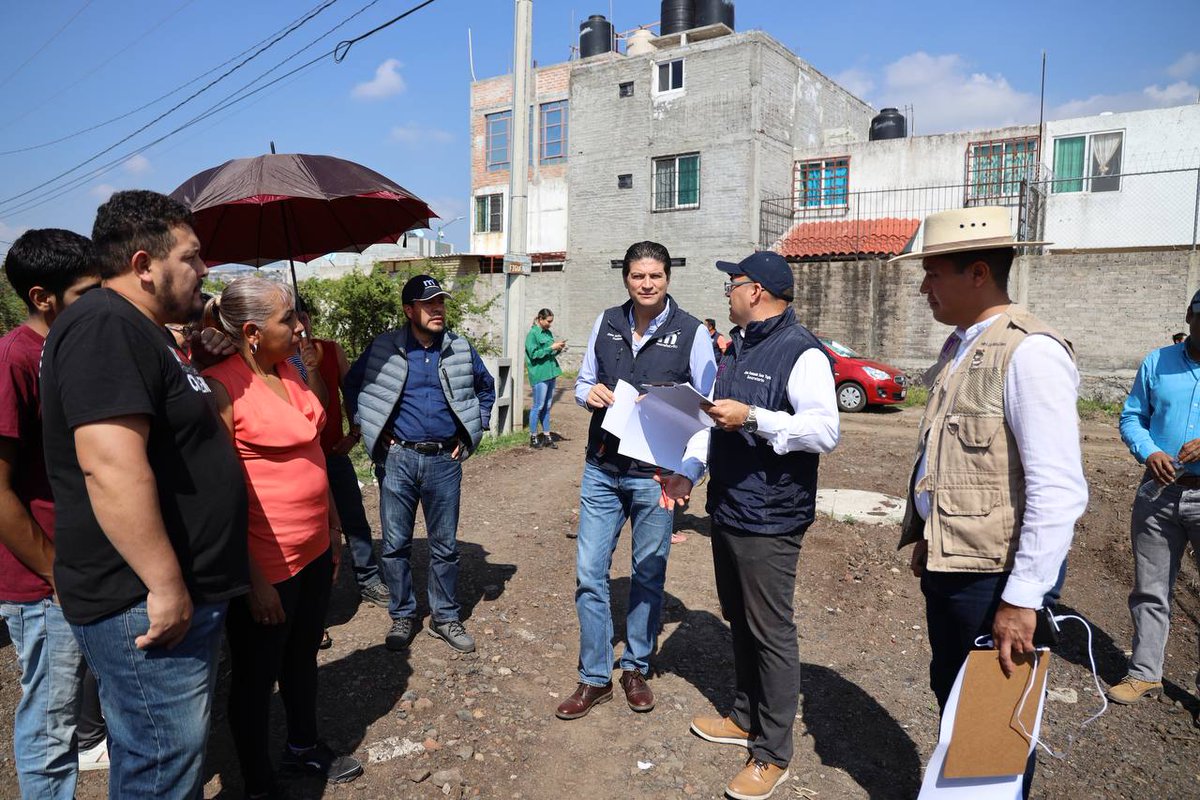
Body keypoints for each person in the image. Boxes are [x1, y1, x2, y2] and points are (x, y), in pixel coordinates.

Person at [39, 190, 251, 800]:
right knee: (161, 762)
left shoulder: (144, 331)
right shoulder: (104, 326)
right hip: (141, 599)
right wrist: (164, 584)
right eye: (192, 256)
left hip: (171, 591)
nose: (204, 269)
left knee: (168, 757)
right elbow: (111, 467)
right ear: (143, 265)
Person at [891, 207, 1087, 794]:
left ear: (978, 273)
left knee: (992, 729)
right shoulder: (962, 347)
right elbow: (951, 462)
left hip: (995, 580)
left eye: (933, 274)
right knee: (955, 702)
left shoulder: (1030, 353)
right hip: (956, 564)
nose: (924, 287)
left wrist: (1022, 599)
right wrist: (928, 535)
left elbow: (1057, 489)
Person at [660, 251, 839, 800]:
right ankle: (743, 718)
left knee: (770, 631)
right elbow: (715, 421)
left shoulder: (801, 351)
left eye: (732, 284)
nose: (727, 292)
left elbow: (824, 431)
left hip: (771, 515)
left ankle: (772, 752)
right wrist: (690, 471)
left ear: (755, 290)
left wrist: (756, 418)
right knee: (738, 618)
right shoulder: (736, 346)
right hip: (731, 507)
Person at [204, 277, 363, 796]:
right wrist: (253, 580)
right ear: (252, 332)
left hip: (313, 547)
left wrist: (333, 526)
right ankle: (257, 781)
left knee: (301, 656)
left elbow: (314, 453)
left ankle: (303, 745)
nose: (299, 327)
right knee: (255, 676)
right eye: (287, 319)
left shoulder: (289, 371)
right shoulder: (222, 388)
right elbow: (220, 493)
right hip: (267, 562)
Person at [555, 241, 717, 721]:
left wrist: (690, 472)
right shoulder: (606, 322)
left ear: (668, 278)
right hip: (602, 469)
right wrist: (590, 394)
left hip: (656, 477)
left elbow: (707, 411)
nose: (647, 284)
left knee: (648, 573)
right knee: (590, 573)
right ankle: (594, 676)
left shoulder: (692, 332)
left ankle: (636, 667)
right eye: (638, 276)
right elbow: (583, 382)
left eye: (655, 276)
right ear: (626, 278)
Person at [0, 229, 105, 798]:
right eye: (87, 293)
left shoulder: (73, 348)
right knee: (52, 723)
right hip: (45, 585)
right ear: (42, 298)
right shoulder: (15, 358)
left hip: (87, 568)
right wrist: (53, 571)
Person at [343, 274, 495, 654]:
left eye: (440, 302)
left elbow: (486, 388)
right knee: (395, 545)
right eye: (429, 304)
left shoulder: (460, 348)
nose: (438, 309)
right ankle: (402, 614)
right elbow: (352, 384)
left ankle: (444, 617)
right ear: (409, 310)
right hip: (398, 459)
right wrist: (368, 426)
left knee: (445, 547)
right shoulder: (384, 348)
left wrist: (473, 431)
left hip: (445, 460)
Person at [1110, 290, 1200, 703]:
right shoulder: (1157, 362)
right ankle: (1145, 673)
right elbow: (1132, 417)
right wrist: (1150, 452)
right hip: (1158, 492)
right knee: (1150, 586)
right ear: (1189, 316)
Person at [294, 298, 389, 610]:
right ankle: (316, 597)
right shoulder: (274, 360)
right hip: (298, 462)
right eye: (291, 319)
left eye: (303, 316)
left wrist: (354, 433)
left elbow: (351, 393)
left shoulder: (331, 350)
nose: (300, 325)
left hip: (333, 452)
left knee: (354, 518)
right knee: (308, 530)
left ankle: (368, 578)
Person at [525, 307, 565, 449]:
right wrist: (550, 348)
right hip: (539, 374)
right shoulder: (532, 334)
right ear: (540, 319)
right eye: (548, 321)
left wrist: (558, 349)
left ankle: (547, 436)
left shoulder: (548, 333)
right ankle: (533, 437)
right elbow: (534, 354)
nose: (550, 324)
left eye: (551, 321)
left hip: (550, 373)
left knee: (547, 406)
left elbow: (549, 354)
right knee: (538, 406)